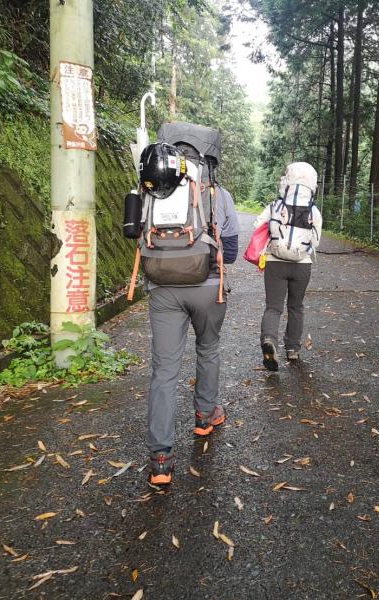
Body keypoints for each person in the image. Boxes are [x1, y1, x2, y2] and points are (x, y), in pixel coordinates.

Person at [138, 128, 239, 487]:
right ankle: (204, 415)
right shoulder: (218, 194)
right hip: (208, 287)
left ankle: (161, 459)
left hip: (163, 287)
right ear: (208, 160)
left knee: (164, 371)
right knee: (208, 349)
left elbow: (135, 233)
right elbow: (230, 249)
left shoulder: (150, 188)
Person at [254, 162, 322, 371]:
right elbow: (316, 241)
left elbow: (257, 226)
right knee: (296, 306)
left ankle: (269, 340)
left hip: (275, 263)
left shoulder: (275, 206)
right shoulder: (314, 211)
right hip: (302, 266)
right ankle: (292, 349)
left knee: (273, 307)